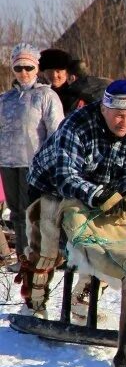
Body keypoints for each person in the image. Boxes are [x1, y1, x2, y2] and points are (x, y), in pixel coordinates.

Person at [26, 80, 126, 316]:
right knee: (48, 246)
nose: (125, 122)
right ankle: (35, 302)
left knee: (108, 241)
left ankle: (83, 299)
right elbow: (65, 176)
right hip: (50, 185)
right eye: (119, 115)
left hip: (103, 189)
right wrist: (98, 194)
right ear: (104, 109)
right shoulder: (77, 125)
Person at [0, 44, 64, 305]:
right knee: (15, 213)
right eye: (18, 67)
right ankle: (23, 258)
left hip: (34, 165)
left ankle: (37, 258)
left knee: (32, 214)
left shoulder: (46, 96)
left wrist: (52, 167)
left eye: (28, 67)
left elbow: (56, 133)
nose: (23, 72)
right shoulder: (5, 99)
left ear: (37, 69)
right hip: (8, 162)